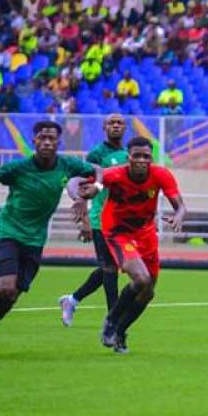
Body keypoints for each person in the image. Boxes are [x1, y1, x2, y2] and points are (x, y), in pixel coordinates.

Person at [0, 121, 97, 355]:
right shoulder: (18, 167)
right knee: (4, 289)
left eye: (52, 138)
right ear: (34, 141)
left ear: (59, 142)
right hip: (10, 232)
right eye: (42, 138)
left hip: (35, 240)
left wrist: (93, 190)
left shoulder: (67, 165)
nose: (47, 142)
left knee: (9, 297)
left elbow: (96, 172)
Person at [78, 136, 186, 354]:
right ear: (128, 157)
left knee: (148, 292)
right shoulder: (114, 174)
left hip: (146, 234)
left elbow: (180, 206)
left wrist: (178, 216)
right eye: (137, 156)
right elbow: (80, 181)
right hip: (118, 232)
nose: (142, 160)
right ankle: (111, 319)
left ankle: (120, 331)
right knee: (141, 278)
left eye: (147, 156)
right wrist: (82, 199)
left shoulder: (161, 174)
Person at [58, 114, 128, 327]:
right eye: (111, 123)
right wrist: (86, 220)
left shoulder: (128, 154)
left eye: (120, 123)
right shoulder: (97, 154)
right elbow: (81, 184)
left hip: (123, 222)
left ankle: (72, 300)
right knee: (110, 269)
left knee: (112, 267)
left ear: (125, 128)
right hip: (101, 219)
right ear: (104, 127)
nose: (116, 125)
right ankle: (113, 321)